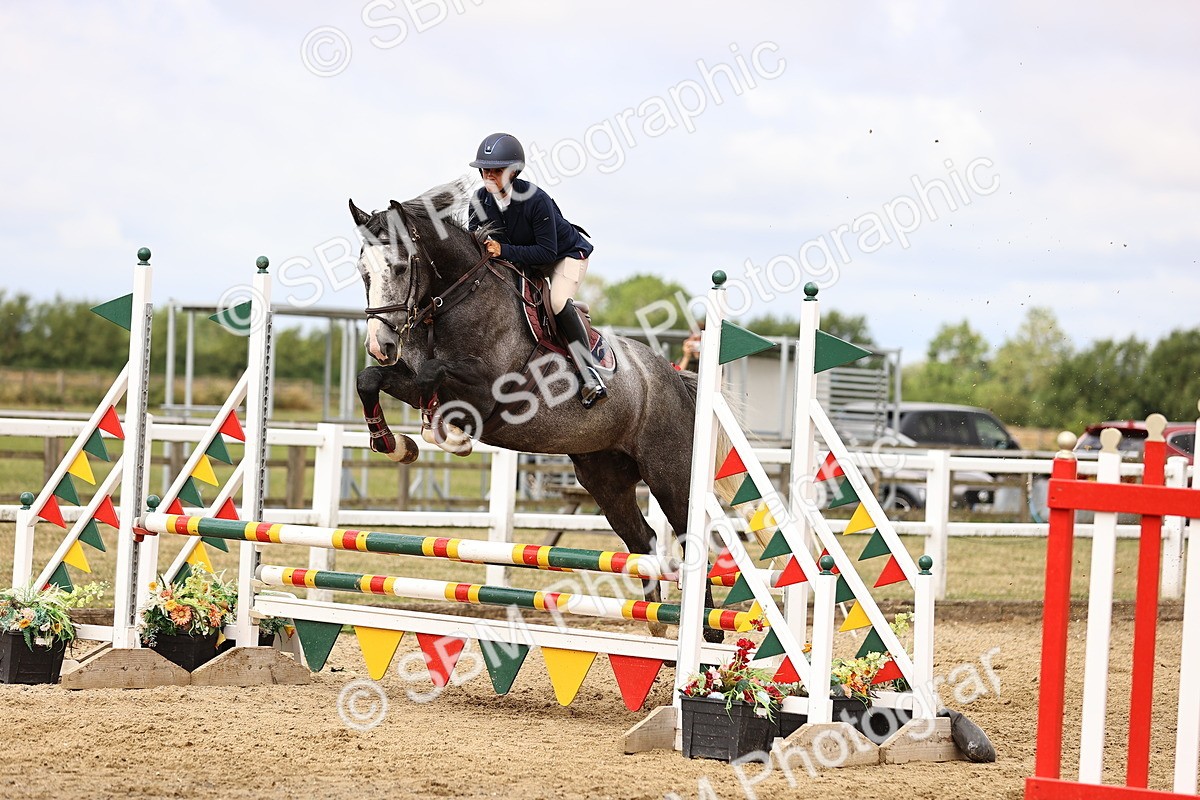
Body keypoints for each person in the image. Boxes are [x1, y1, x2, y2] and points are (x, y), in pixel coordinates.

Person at [466, 132, 607, 409]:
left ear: (513, 172)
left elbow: (546, 252)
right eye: (485, 169)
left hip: (564, 255)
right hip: (526, 261)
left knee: (555, 302)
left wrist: (503, 250)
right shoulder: (479, 201)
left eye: (496, 170)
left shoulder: (535, 200)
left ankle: (588, 373)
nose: (488, 175)